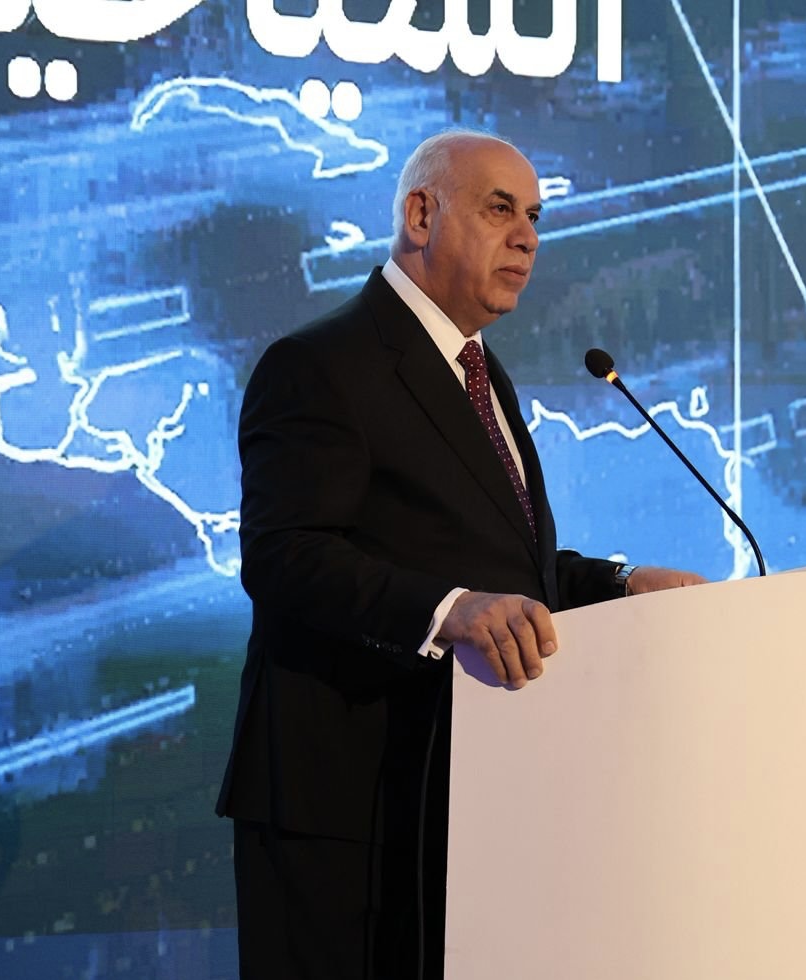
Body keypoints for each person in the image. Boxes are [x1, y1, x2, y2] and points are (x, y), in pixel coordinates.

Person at [215, 129, 705, 979]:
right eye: (500, 209)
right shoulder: (319, 365)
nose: (527, 238)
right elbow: (285, 556)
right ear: (420, 215)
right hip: (347, 805)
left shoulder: (479, 370)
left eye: (536, 218)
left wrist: (623, 584)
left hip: (461, 798)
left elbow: (499, 563)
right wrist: (448, 614)